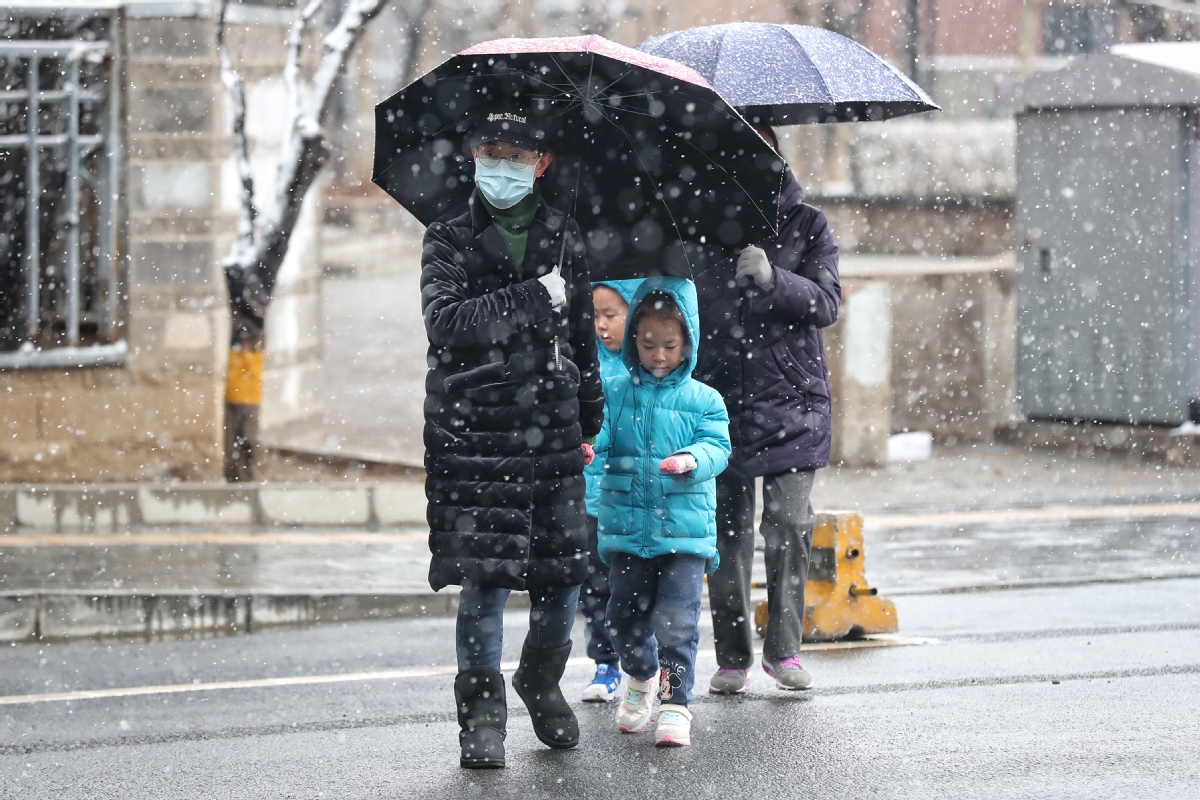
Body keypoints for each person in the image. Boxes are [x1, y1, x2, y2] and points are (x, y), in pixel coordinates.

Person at [421, 104, 604, 769]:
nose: (501, 166)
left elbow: (580, 336)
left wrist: (590, 415)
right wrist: (530, 296)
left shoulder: (565, 234)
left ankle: (539, 678)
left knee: (563, 580)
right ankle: (482, 717)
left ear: (542, 163)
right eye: (489, 151)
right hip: (474, 432)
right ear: (473, 157)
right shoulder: (446, 236)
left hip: (551, 431)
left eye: (515, 154)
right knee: (486, 582)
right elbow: (445, 321)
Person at [694, 125, 841, 695]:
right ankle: (732, 656)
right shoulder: (701, 228)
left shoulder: (809, 225)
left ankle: (785, 651)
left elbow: (827, 301)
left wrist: (776, 280)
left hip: (792, 404)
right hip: (720, 402)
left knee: (788, 526)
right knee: (724, 536)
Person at [594, 277, 731, 747]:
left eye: (669, 345)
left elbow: (717, 448)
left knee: (678, 622)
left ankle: (676, 706)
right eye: (648, 344)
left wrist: (691, 460)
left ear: (687, 342)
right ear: (633, 339)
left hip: (685, 533)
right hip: (627, 529)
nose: (657, 355)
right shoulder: (615, 392)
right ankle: (640, 675)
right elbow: (600, 431)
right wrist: (589, 447)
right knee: (622, 617)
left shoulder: (704, 399)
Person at [580, 279, 643, 703]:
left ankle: (643, 663)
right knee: (594, 585)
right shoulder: (584, 363)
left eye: (611, 315)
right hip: (590, 497)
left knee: (633, 587)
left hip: (634, 496)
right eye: (595, 316)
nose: (601, 326)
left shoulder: (649, 366)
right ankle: (605, 662)